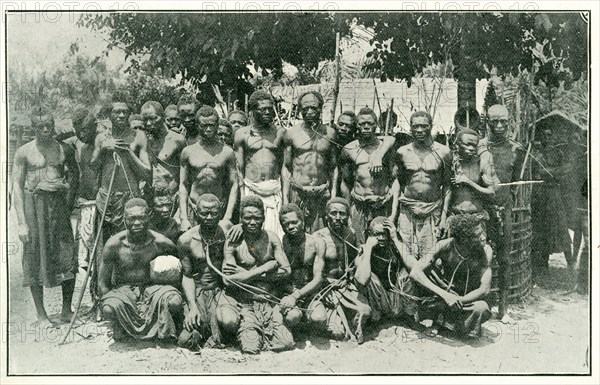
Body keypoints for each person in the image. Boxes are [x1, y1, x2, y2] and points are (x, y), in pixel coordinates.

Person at [13, 106, 79, 325]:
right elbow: (17, 186)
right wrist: (22, 222)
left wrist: (66, 202)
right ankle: (41, 315)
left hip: (58, 208)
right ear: (34, 128)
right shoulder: (24, 151)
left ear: (53, 125)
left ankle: (66, 310)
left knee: (66, 252)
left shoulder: (64, 149)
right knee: (33, 255)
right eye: (40, 126)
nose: (45, 130)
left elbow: (74, 178)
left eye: (49, 126)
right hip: (34, 208)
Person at [98, 198, 183, 341]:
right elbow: (103, 283)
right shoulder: (114, 244)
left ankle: (163, 326)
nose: (137, 223)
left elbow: (180, 267)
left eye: (141, 218)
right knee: (108, 309)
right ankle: (121, 325)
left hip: (153, 289)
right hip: (124, 290)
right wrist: (111, 301)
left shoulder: (161, 242)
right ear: (124, 219)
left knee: (174, 302)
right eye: (132, 218)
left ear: (148, 216)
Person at [220, 196, 295, 354]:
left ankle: (269, 324)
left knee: (286, 342)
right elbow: (227, 281)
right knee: (250, 347)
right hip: (245, 301)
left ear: (264, 218)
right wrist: (263, 268)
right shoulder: (233, 241)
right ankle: (246, 327)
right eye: (247, 218)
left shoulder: (272, 237)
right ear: (241, 219)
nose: (252, 222)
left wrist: (245, 274)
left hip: (269, 299)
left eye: (257, 218)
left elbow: (286, 270)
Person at [410, 213, 493, 339]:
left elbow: (484, 289)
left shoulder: (481, 251)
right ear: (465, 238)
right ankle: (445, 321)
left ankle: (446, 324)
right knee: (426, 278)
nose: (483, 237)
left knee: (482, 308)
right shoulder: (444, 245)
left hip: (466, 300)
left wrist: (459, 300)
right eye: (477, 235)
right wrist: (445, 296)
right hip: (443, 295)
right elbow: (415, 272)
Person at [478, 104, 525, 323]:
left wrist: (508, 200)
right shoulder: (478, 147)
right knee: (480, 256)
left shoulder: (516, 149)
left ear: (509, 122)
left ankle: (503, 309)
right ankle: (481, 303)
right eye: (494, 121)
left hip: (504, 208)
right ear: (487, 122)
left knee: (504, 258)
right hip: (481, 210)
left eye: (503, 122)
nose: (499, 126)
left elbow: (514, 181)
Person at [177, 194, 234, 350]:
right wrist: (192, 306)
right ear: (196, 213)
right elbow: (187, 276)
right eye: (204, 213)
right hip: (199, 290)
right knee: (187, 339)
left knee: (230, 324)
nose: (209, 217)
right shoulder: (186, 240)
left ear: (221, 211)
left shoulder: (228, 228)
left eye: (214, 213)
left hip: (222, 289)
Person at [312, 198, 371, 343]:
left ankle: (342, 318)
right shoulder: (318, 237)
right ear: (326, 216)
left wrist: (364, 252)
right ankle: (333, 317)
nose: (338, 217)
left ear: (348, 216)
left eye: (342, 214)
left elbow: (356, 260)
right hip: (325, 288)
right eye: (333, 213)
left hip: (345, 286)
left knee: (366, 311)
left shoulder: (350, 234)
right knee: (337, 333)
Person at [394, 111, 452, 260]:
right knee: (406, 255)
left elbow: (447, 186)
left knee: (431, 257)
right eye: (415, 126)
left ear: (430, 127)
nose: (419, 130)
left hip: (432, 209)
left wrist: (444, 219)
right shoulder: (402, 152)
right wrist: (393, 214)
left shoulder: (443, 152)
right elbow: (398, 183)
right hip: (407, 209)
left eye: (423, 126)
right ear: (410, 128)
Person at [92, 98, 150, 244]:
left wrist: (127, 151)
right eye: (117, 112)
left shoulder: (138, 136)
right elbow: (93, 167)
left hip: (130, 196)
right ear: (109, 115)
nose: (122, 115)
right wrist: (102, 149)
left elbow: (147, 172)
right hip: (107, 198)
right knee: (107, 243)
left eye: (125, 112)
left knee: (130, 243)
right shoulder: (101, 137)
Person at [339, 107, 397, 243]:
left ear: (376, 124)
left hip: (382, 205)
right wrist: (347, 212)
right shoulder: (349, 150)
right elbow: (346, 183)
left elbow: (395, 180)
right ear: (357, 125)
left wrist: (393, 213)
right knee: (359, 244)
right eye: (361, 124)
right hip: (359, 206)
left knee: (383, 244)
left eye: (370, 123)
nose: (366, 127)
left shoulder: (386, 148)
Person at [234, 90, 286, 239]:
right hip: (251, 188)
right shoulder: (242, 134)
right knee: (250, 233)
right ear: (252, 111)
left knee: (274, 234)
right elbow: (239, 169)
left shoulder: (280, 133)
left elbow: (284, 166)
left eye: (270, 108)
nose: (268, 112)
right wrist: (242, 198)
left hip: (273, 190)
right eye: (263, 109)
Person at [283, 91, 337, 233]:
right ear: (299, 109)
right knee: (297, 233)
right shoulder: (291, 133)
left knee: (322, 234)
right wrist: (285, 199)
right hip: (299, 193)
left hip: (322, 193)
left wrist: (334, 193)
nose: (309, 111)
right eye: (305, 108)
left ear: (321, 108)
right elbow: (286, 167)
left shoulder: (330, 133)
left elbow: (333, 167)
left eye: (314, 107)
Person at [179, 106, 238, 232]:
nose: (208, 129)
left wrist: (227, 217)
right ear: (197, 125)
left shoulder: (227, 152)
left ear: (217, 125)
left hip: (218, 211)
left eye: (212, 125)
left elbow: (234, 184)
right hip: (194, 209)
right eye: (204, 125)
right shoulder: (188, 151)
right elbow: (183, 185)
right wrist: (183, 217)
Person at [354, 217, 418, 322]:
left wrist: (395, 239)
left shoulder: (396, 246)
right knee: (371, 278)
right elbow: (361, 280)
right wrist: (368, 248)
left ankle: (409, 315)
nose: (382, 238)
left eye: (385, 234)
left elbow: (416, 269)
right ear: (370, 234)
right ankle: (376, 318)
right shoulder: (364, 250)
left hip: (397, 298)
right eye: (377, 234)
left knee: (406, 273)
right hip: (379, 300)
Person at [278, 203, 327, 329]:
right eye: (286, 224)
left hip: (311, 293)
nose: (290, 227)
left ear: (302, 221)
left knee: (319, 318)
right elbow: (280, 275)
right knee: (292, 317)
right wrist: (291, 294)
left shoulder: (317, 243)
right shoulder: (281, 243)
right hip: (289, 292)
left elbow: (318, 278)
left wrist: (297, 295)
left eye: (294, 222)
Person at [138, 101, 186, 201]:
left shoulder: (177, 139)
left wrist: (176, 191)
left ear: (163, 117)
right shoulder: (142, 140)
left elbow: (186, 171)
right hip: (149, 196)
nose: (148, 123)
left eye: (153, 118)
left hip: (171, 196)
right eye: (145, 119)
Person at [449, 128, 498, 222]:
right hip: (454, 217)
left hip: (477, 218)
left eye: (474, 145)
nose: (471, 148)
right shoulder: (451, 163)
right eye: (467, 144)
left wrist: (468, 182)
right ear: (457, 144)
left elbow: (491, 192)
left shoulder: (481, 164)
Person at [72, 109, 99, 271]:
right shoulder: (82, 148)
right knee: (84, 256)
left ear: (94, 126)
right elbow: (84, 176)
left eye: (85, 129)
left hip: (101, 205)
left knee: (98, 251)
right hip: (86, 205)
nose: (81, 134)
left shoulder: (103, 143)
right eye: (78, 131)